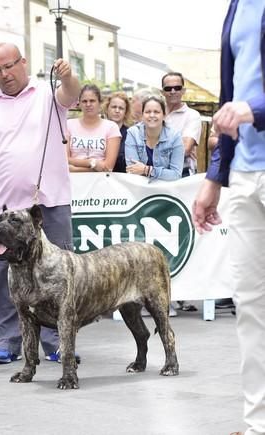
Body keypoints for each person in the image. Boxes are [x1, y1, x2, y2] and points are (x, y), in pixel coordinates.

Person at [0, 42, 81, 364]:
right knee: (3, 275)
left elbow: (72, 94)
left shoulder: (48, 95)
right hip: (2, 210)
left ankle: (57, 342)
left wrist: (68, 77)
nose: (4, 74)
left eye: (9, 66)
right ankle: (6, 339)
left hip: (49, 205)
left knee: (58, 275)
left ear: (23, 62)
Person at [193, 2, 265, 434]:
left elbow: (243, 102)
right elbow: (228, 96)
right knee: (251, 305)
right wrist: (215, 177)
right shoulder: (237, 6)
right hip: (244, 173)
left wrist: (254, 108)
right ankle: (258, 423)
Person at [125, 96, 184, 182]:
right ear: (142, 115)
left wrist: (147, 170)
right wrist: (163, 174)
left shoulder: (175, 136)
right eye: (148, 112)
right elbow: (132, 170)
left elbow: (176, 175)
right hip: (138, 188)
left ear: (164, 115)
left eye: (156, 112)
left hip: (166, 190)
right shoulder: (133, 133)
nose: (152, 115)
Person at [66, 84, 121, 173]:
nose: (88, 104)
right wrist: (92, 163)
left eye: (92, 101)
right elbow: (64, 160)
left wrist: (75, 169)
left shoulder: (111, 127)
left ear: (99, 103)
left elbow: (108, 167)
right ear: (79, 103)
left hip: (100, 182)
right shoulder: (68, 125)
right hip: (73, 182)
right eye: (84, 101)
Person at [161, 72, 202, 177]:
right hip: (155, 172)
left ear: (183, 90)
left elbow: (184, 149)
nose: (173, 91)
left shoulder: (192, 115)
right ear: (162, 92)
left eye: (177, 88)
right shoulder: (155, 113)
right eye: (168, 88)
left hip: (183, 174)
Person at [102, 91, 133, 173]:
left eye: (121, 108)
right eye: (114, 107)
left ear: (125, 112)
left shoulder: (131, 134)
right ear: (107, 108)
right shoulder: (98, 130)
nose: (117, 110)